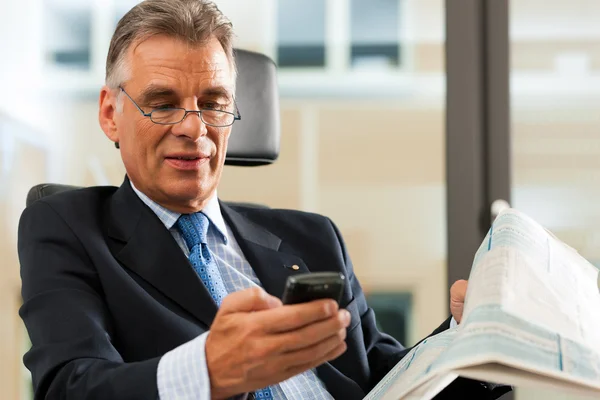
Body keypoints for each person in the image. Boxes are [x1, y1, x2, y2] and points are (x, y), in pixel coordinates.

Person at [18, 1, 509, 399]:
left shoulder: (314, 237)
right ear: (110, 114)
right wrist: (209, 371)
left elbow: (387, 379)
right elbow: (69, 386)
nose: (194, 128)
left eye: (213, 103)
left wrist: (472, 342)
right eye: (164, 103)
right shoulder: (66, 227)